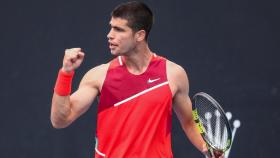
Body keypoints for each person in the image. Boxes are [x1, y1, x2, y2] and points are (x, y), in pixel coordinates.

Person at [51, 1, 224, 158]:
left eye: (119, 29)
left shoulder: (173, 74)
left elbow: (188, 122)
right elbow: (60, 120)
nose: (109, 35)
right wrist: (66, 73)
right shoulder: (99, 76)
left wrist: (206, 148)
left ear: (140, 35)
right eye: (111, 27)